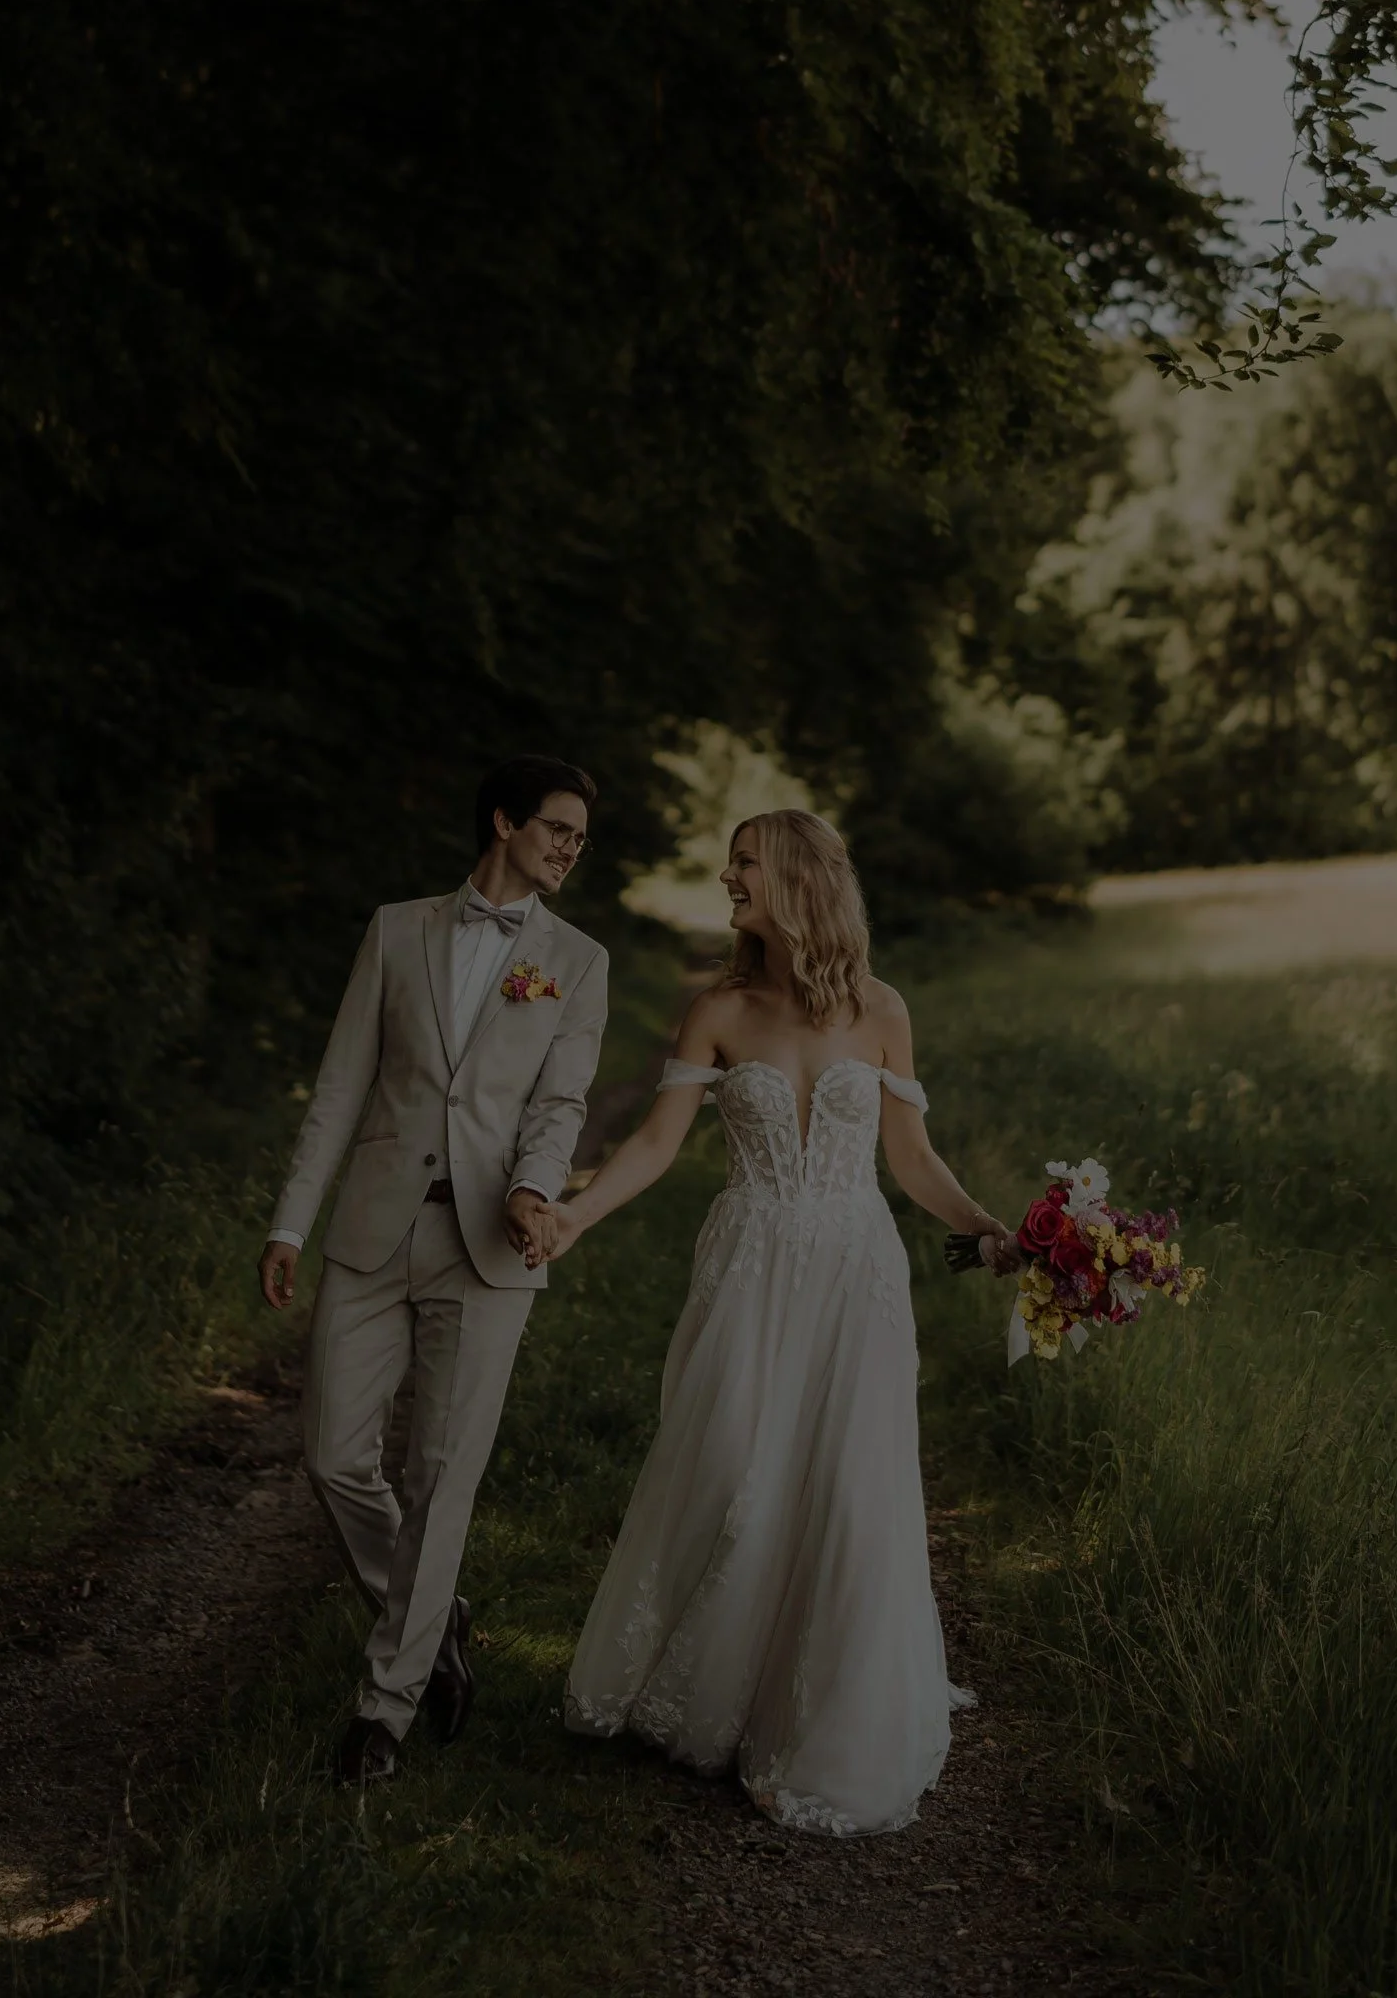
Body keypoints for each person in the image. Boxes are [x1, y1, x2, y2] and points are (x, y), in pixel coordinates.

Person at [539, 808, 1019, 1836]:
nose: (728, 878)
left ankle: (821, 1718)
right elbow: (657, 1143)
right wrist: (575, 1213)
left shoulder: (881, 1008)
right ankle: (723, 1691)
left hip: (853, 1269)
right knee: (732, 1467)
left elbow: (911, 1158)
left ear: (800, 877)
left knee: (848, 1483)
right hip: (750, 1266)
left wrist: (987, 1228)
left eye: (745, 863)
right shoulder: (718, 1008)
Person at [257, 755, 608, 1784]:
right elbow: (339, 1088)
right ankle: (431, 1609)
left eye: (580, 838)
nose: (570, 848)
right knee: (333, 1455)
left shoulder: (577, 961)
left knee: (440, 1476)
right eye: (556, 827)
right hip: (372, 1229)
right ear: (503, 821)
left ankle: (388, 1705)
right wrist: (289, 1223)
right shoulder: (396, 929)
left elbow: (560, 1103)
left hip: (488, 1245)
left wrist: (534, 1189)